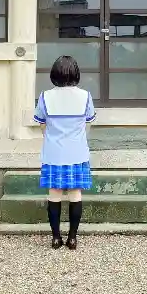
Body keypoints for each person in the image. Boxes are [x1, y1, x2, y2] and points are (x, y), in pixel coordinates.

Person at [33, 55, 96, 249]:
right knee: (75, 194)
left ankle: (55, 238)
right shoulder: (85, 96)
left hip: (53, 153)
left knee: (54, 194)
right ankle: (72, 238)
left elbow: (41, 124)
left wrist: (52, 137)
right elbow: (88, 123)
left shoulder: (45, 96)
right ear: (76, 73)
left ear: (54, 74)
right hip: (77, 153)